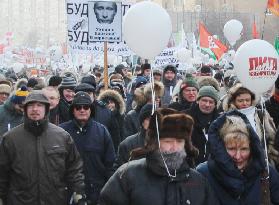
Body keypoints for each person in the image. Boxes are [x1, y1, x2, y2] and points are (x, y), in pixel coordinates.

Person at [99, 108, 219, 205]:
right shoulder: (128, 175)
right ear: (155, 144)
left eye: (179, 141)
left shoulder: (198, 181)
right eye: (168, 141)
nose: (174, 148)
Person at [0, 90, 86, 205]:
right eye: (30, 105)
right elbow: (2, 173)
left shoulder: (62, 137)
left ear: (46, 109)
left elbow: (74, 168)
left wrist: (78, 192)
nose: (35, 109)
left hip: (55, 200)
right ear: (25, 109)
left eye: (39, 105)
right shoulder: (11, 139)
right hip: (20, 200)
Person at [197, 110, 279, 205]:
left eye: (244, 149)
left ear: (252, 148)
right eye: (231, 149)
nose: (238, 156)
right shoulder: (204, 174)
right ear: (221, 148)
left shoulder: (266, 172)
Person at [60, 92, 115, 205]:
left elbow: (110, 163)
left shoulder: (102, 131)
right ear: (72, 110)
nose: (82, 110)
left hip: (97, 191)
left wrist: (109, 190)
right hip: (69, 192)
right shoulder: (62, 131)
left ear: (91, 110)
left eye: (86, 107)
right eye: (78, 107)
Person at [222, 83, 279, 168]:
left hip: (261, 164)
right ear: (234, 101)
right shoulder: (226, 118)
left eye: (247, 100)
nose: (244, 103)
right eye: (240, 100)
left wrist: (271, 159)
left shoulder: (261, 114)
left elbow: (271, 138)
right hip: (235, 164)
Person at [183, 85, 220, 166]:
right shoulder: (184, 117)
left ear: (215, 104)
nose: (207, 105)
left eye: (211, 102)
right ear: (198, 100)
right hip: (189, 164)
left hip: (213, 166)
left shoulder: (220, 121)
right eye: (204, 100)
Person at [114, 103, 153, 169]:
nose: (152, 122)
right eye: (149, 119)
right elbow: (119, 171)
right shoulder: (127, 144)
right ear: (142, 122)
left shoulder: (164, 143)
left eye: (155, 119)